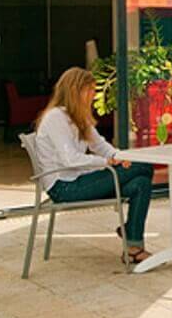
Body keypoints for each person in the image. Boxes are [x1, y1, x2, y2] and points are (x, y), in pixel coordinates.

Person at [34, 67, 155, 265]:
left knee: (141, 182)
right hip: (64, 187)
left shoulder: (78, 117)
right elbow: (69, 159)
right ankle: (130, 231)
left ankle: (133, 247)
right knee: (143, 167)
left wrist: (117, 156)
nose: (94, 95)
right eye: (90, 90)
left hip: (79, 181)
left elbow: (99, 145)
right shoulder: (56, 117)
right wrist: (107, 162)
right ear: (75, 91)